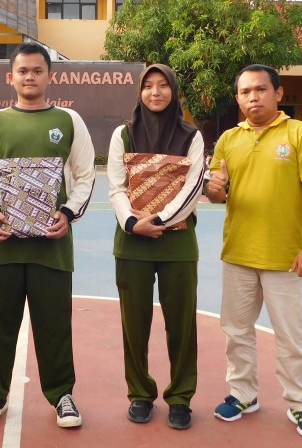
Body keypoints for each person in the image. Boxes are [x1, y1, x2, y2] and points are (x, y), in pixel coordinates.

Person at [0, 42, 95, 429]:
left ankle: (62, 395)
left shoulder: (70, 120)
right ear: (11, 77)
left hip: (52, 247)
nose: (30, 77)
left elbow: (86, 177)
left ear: (49, 76)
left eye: (37, 70)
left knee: (54, 324)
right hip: (2, 246)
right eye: (22, 71)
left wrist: (68, 213)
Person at [206, 64, 302, 440]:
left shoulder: (300, 133)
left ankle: (301, 403)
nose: (252, 97)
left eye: (260, 89)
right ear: (238, 98)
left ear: (279, 93)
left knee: (291, 335)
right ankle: (244, 394)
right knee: (236, 332)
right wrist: (215, 187)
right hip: (238, 253)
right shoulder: (228, 139)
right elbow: (216, 194)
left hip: (286, 257)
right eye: (244, 92)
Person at [107, 64, 205, 430]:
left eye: (163, 85)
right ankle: (140, 394)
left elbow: (193, 188)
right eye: (148, 86)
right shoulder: (124, 134)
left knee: (182, 324)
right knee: (135, 324)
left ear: (174, 91)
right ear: (140, 92)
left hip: (177, 243)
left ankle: (180, 397)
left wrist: (158, 222)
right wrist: (133, 223)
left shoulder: (190, 136)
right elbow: (116, 187)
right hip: (132, 242)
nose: (155, 92)